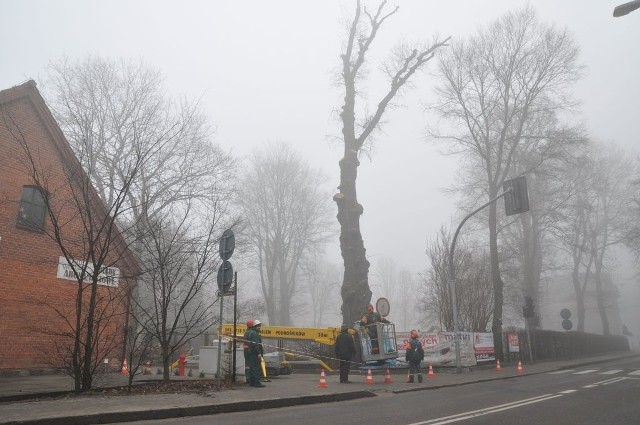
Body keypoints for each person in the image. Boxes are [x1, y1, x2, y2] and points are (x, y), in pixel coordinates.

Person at [245, 319, 265, 387]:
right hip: (254, 353)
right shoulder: (254, 333)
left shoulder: (247, 332)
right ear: (254, 326)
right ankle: (257, 383)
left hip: (249, 353)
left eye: (260, 325)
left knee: (252, 368)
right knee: (256, 368)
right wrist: (259, 353)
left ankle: (252, 382)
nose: (259, 327)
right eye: (258, 326)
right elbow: (255, 344)